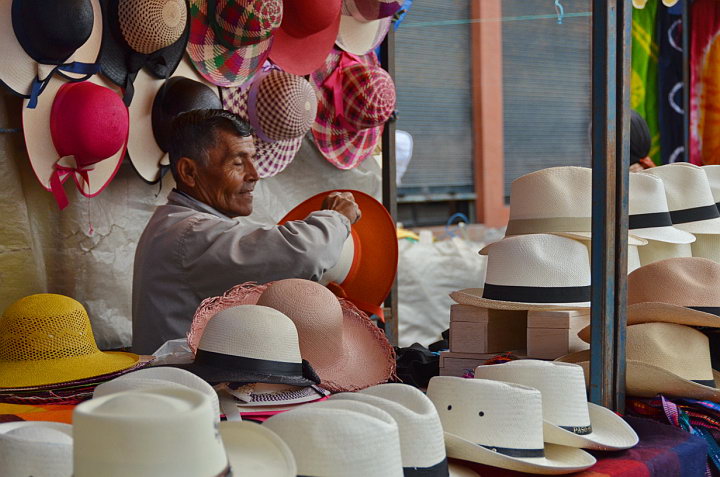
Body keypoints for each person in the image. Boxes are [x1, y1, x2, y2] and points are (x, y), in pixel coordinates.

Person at [131, 109, 361, 354]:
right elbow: (305, 253)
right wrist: (337, 217)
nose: (254, 175)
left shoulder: (176, 223)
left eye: (252, 159)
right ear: (189, 172)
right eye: (238, 163)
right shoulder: (191, 234)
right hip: (185, 376)